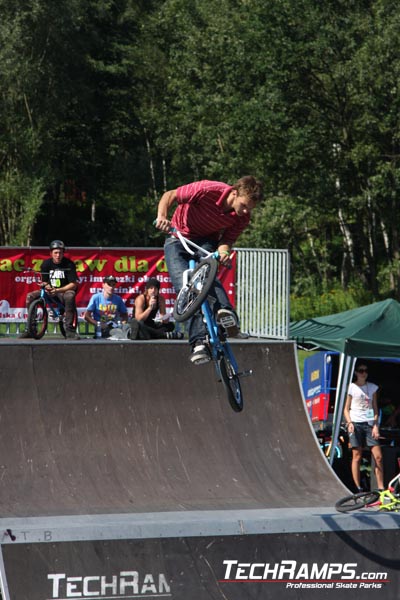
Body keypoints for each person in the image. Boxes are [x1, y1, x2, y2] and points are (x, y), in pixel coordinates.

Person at [155, 176, 263, 364]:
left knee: (208, 272)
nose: (245, 212)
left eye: (249, 209)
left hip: (205, 241)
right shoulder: (208, 190)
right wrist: (162, 217)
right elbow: (170, 195)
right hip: (177, 237)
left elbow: (227, 240)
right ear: (234, 193)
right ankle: (198, 343)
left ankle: (226, 314)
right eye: (244, 205)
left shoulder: (242, 218)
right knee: (186, 289)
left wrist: (223, 253)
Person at [19, 240, 80, 340]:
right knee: (30, 296)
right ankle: (31, 329)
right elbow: (44, 281)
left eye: (60, 252)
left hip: (64, 291)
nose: (58, 255)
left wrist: (58, 290)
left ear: (63, 253)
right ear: (51, 253)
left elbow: (73, 284)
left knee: (70, 296)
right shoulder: (46, 264)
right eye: (55, 252)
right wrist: (47, 286)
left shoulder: (69, 264)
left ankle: (70, 330)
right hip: (50, 290)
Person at [343, 363, 384, 491]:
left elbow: (375, 409)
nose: (363, 373)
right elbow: (346, 409)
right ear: (356, 373)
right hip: (355, 423)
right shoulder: (351, 387)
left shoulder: (372, 387)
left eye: (365, 370)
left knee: (378, 456)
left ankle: (381, 488)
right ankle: (357, 488)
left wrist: (376, 425)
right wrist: (349, 423)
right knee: (357, 455)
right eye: (361, 371)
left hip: (369, 424)